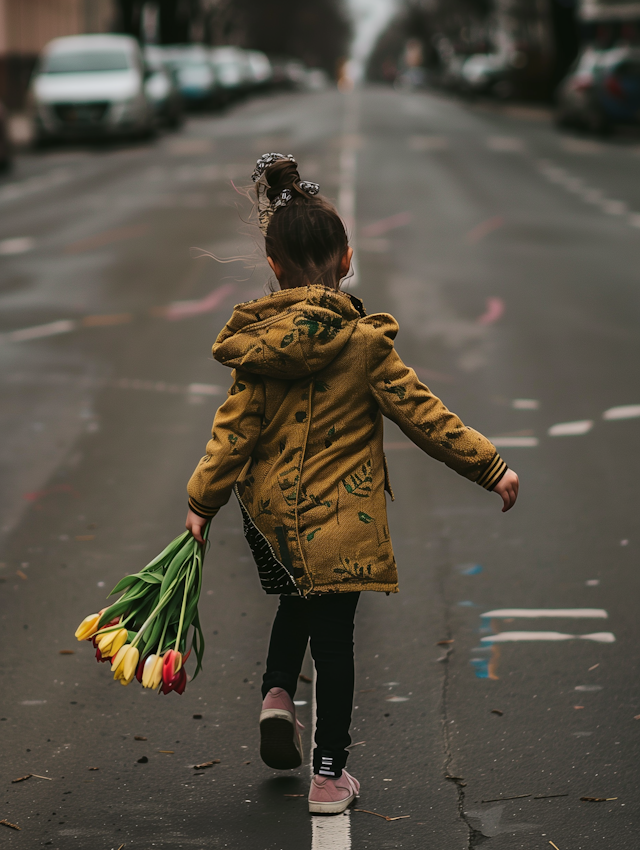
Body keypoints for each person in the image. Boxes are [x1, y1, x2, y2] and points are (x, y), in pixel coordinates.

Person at [185, 152, 519, 815]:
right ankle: (330, 777)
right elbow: (424, 415)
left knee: (292, 597)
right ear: (347, 259)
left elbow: (232, 434)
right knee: (336, 644)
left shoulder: (259, 347)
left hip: (272, 519)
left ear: (273, 265)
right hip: (343, 522)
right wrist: (489, 465)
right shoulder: (365, 343)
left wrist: (202, 501)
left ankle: (277, 692)